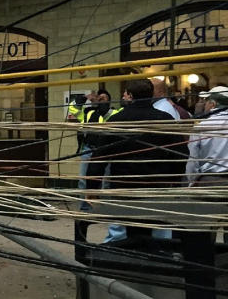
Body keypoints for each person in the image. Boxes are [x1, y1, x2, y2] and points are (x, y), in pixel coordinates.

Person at [86, 79, 188, 242]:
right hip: (157, 188)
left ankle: (131, 258)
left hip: (124, 188)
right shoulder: (165, 119)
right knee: (155, 228)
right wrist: (173, 181)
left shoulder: (116, 121)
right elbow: (181, 154)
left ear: (130, 95)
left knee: (128, 231)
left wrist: (92, 188)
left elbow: (99, 158)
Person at [186, 85, 228, 190]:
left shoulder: (202, 126)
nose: (204, 104)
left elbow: (193, 160)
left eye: (206, 101)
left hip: (210, 181)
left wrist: (191, 183)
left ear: (212, 104)